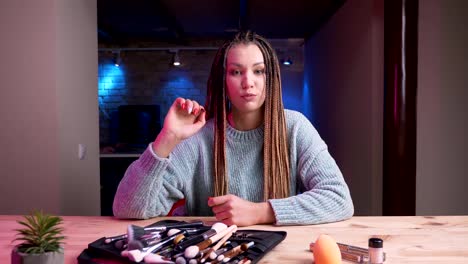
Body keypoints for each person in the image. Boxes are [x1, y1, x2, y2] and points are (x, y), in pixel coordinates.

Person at [113, 31, 354, 226]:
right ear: (223, 81)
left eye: (258, 71)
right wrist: (166, 140)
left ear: (270, 78)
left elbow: (339, 198)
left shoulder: (296, 127)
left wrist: (261, 212)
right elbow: (127, 209)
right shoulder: (198, 139)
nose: (248, 82)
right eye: (236, 72)